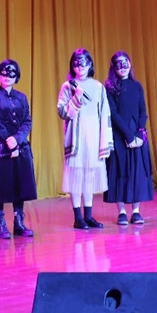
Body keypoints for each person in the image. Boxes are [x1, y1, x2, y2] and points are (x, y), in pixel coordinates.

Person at [57, 48, 113, 229]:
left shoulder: (98, 87)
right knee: (76, 176)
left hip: (94, 136)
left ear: (90, 64)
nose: (80, 66)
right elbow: (62, 112)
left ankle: (88, 215)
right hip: (76, 137)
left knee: (89, 175)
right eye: (76, 63)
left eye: (83, 63)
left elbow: (105, 113)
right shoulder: (68, 86)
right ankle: (77, 217)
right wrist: (76, 97)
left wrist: (105, 140)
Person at [0, 59, 38, 239]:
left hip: (21, 145)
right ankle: (0, 223)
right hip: (1, 146)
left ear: (17, 77)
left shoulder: (21, 97)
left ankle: (19, 222)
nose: (7, 77)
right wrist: (8, 139)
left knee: (19, 184)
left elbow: (27, 121)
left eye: (12, 74)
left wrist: (17, 139)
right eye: (4, 73)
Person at [103, 52, 154, 225]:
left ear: (130, 64)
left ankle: (136, 211)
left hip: (137, 135)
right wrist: (128, 135)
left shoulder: (137, 86)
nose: (123, 67)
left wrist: (139, 134)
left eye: (125, 63)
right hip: (119, 135)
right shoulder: (109, 88)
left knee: (136, 172)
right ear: (113, 67)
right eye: (118, 64)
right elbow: (113, 113)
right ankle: (122, 212)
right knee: (119, 172)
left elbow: (142, 111)